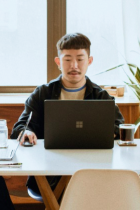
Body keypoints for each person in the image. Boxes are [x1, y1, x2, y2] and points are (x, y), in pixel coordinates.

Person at [10, 33, 124, 199]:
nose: (74, 65)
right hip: (50, 173)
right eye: (68, 59)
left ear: (89, 61)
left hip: (93, 170)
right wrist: (26, 133)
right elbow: (20, 128)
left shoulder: (101, 97)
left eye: (80, 59)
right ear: (58, 62)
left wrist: (111, 132)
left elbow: (120, 127)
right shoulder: (42, 93)